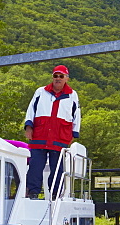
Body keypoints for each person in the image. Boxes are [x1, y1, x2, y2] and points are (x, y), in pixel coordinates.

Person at [23, 64, 80, 199]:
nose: (58, 78)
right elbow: (31, 109)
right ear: (52, 77)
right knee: (35, 166)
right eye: (56, 75)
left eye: (61, 76)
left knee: (58, 168)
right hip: (39, 135)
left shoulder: (72, 95)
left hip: (60, 137)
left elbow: (76, 115)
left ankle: (55, 193)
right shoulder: (41, 91)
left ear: (67, 78)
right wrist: (28, 127)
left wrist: (73, 133)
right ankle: (33, 192)